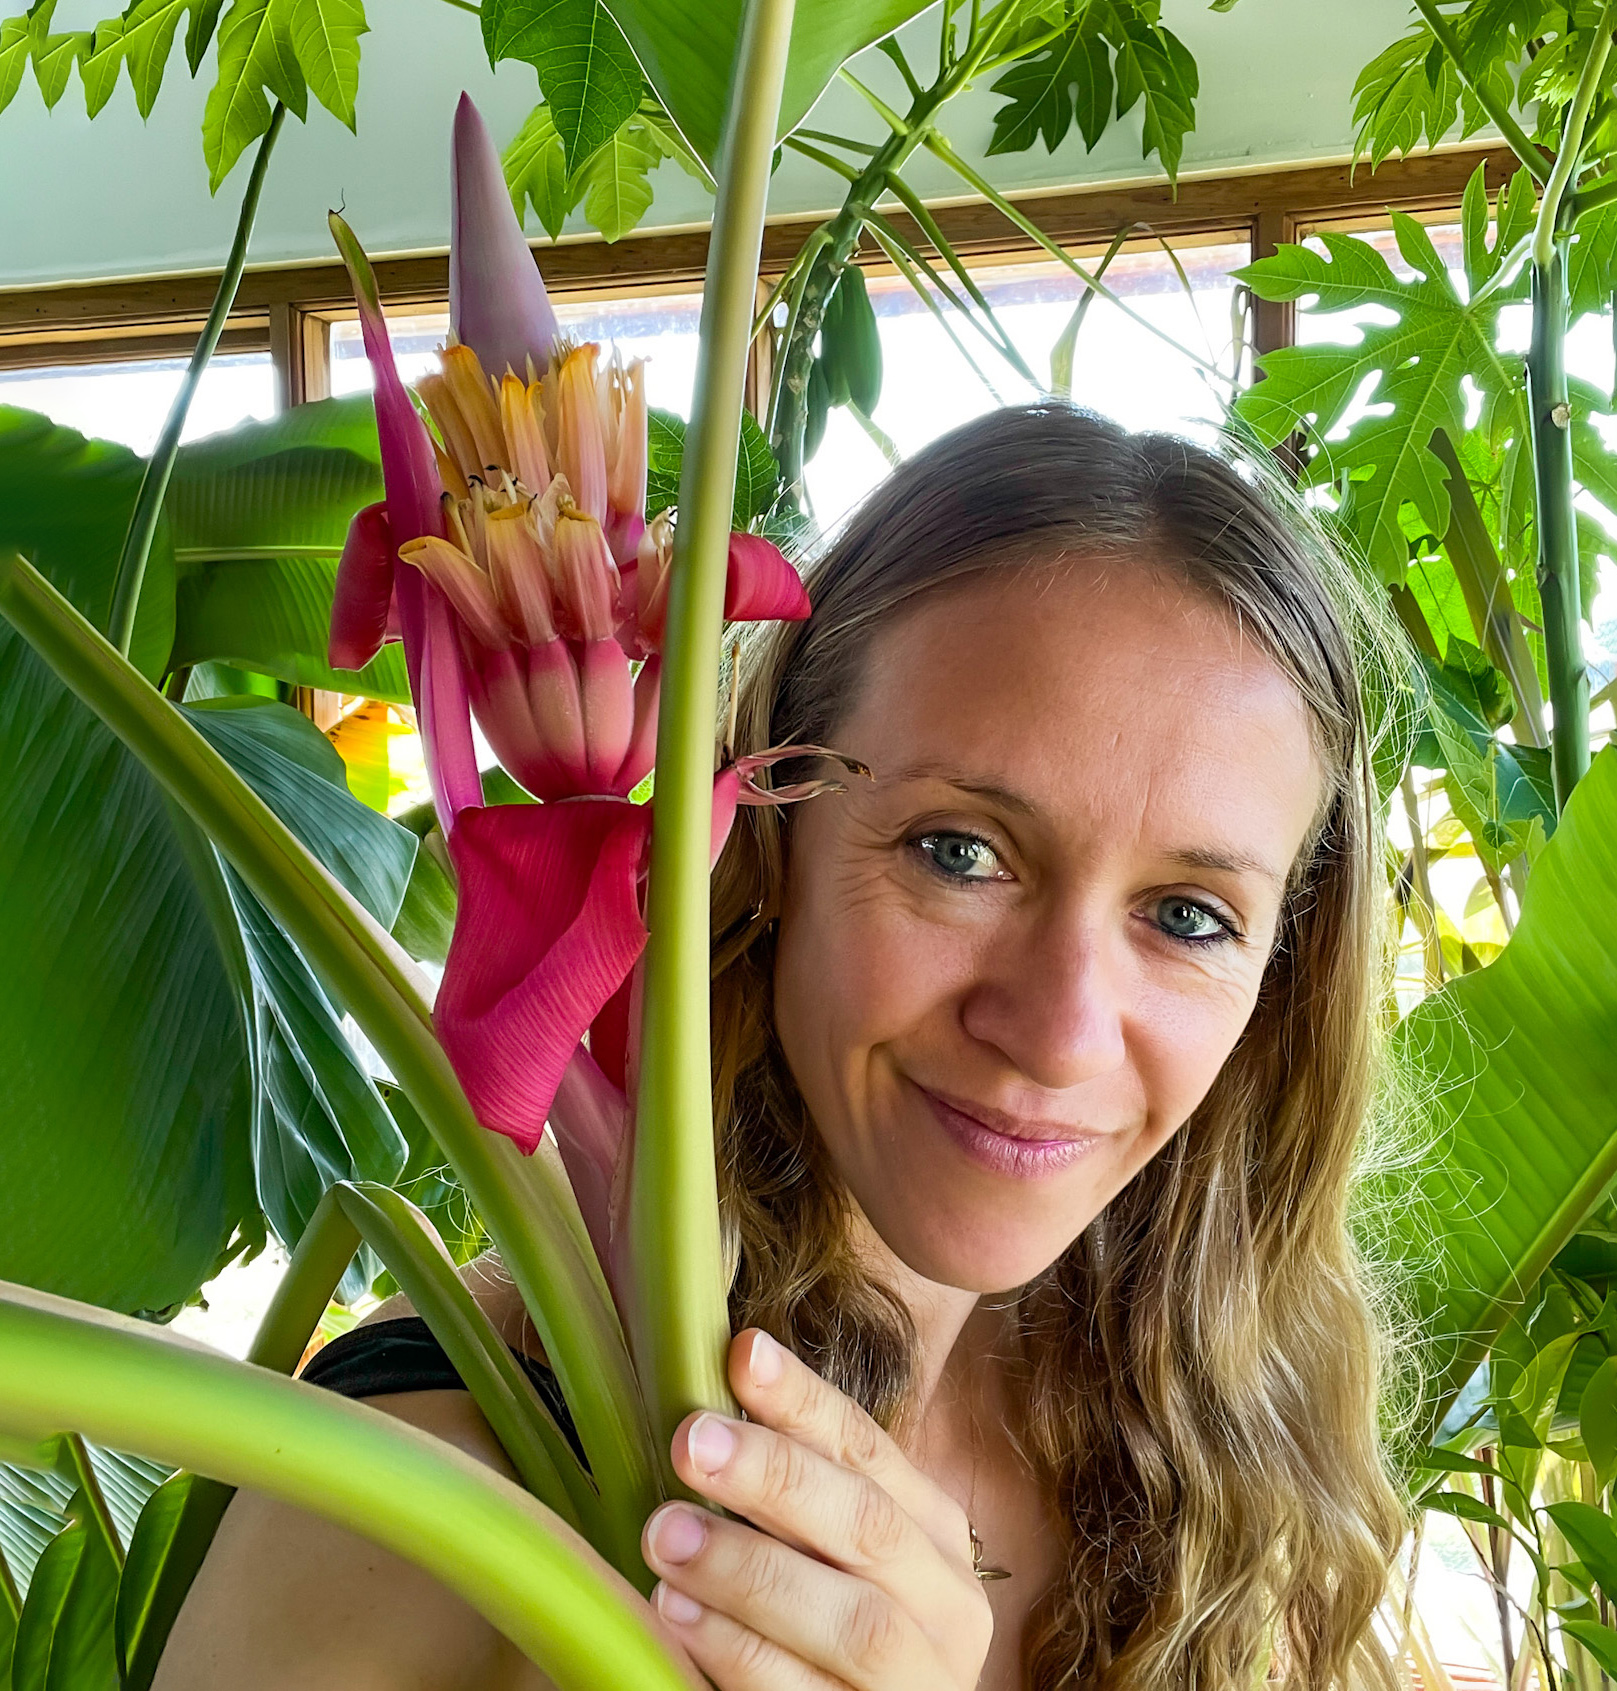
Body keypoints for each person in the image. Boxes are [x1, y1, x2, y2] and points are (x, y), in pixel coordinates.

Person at [157, 403, 1407, 1691]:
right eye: (958, 853)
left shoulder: (1203, 1436)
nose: (1059, 1036)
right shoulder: (430, 1488)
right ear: (766, 834)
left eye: (1190, 917)